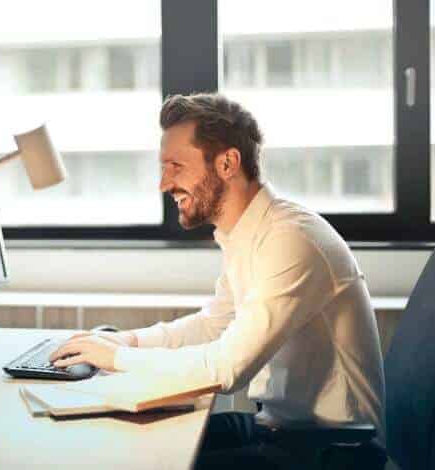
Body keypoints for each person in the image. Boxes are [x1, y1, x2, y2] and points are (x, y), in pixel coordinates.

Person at [50, 93, 386, 468]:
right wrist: (126, 341)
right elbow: (214, 325)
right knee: (130, 440)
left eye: (176, 165)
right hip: (279, 430)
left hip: (332, 452)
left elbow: (228, 369)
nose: (164, 183)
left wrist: (116, 358)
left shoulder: (291, 239)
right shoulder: (247, 233)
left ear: (227, 163)